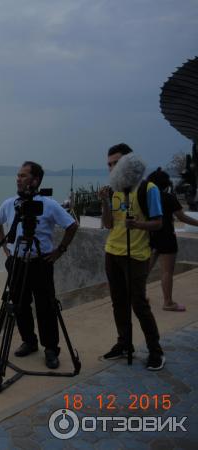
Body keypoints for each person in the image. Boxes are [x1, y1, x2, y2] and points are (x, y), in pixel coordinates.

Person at [0, 161, 78, 369]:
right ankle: (29, 341)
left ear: (35, 180)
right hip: (17, 262)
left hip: (41, 262)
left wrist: (60, 251)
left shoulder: (48, 204)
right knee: (19, 305)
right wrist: (6, 250)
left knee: (46, 306)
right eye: (18, 175)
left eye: (23, 175)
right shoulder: (10, 203)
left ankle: (50, 349)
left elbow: (71, 225)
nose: (18, 179)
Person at [99, 143, 165, 371]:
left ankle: (156, 350)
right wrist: (105, 203)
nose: (112, 168)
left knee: (139, 303)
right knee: (118, 302)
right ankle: (124, 343)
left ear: (129, 162)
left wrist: (136, 224)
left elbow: (158, 223)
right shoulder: (113, 189)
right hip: (113, 252)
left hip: (137, 254)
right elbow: (108, 224)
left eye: (116, 163)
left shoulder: (148, 189)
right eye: (109, 164)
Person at [147, 168, 198, 312]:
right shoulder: (169, 198)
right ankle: (168, 302)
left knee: (144, 270)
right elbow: (182, 217)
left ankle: (137, 297)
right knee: (167, 271)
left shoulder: (148, 199)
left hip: (151, 236)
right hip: (167, 237)